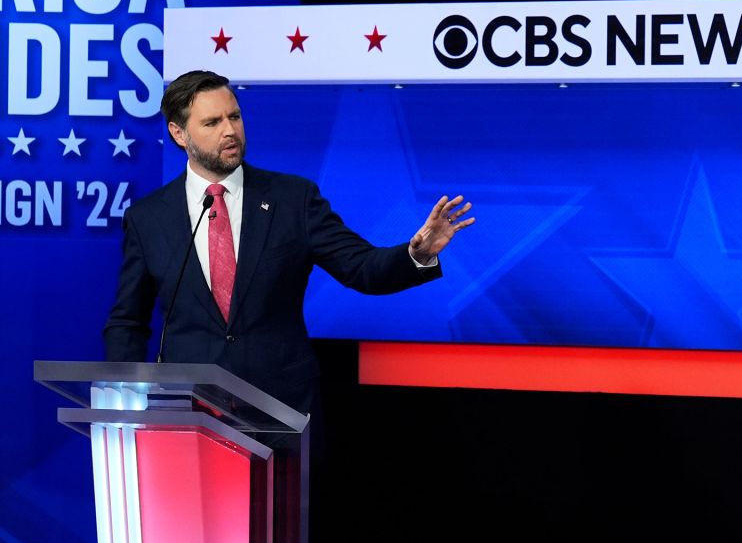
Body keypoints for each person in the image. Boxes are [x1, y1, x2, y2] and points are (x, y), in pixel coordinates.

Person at [103, 69, 474, 416]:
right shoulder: (149, 218)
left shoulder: (293, 199)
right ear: (179, 133)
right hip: (190, 409)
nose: (230, 131)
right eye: (212, 122)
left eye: (234, 117)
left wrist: (417, 254)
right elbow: (127, 321)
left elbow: (362, 269)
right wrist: (125, 399)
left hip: (280, 408)